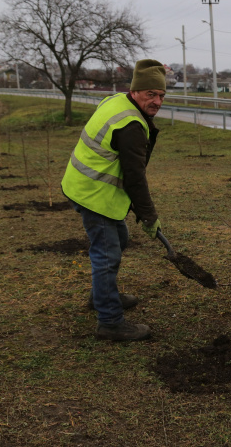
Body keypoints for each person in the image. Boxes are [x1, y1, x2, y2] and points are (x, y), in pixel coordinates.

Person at [61, 59, 167, 342]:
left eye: (161, 96)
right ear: (135, 91)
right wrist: (149, 216)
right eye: (151, 95)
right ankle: (109, 321)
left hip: (83, 185)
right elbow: (135, 178)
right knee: (107, 254)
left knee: (117, 239)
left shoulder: (116, 101)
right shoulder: (131, 125)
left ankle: (102, 296)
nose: (157, 101)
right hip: (93, 194)